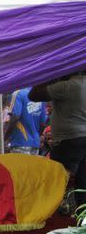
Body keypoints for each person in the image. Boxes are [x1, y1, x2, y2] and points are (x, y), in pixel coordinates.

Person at [30, 75, 86, 204]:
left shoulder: (67, 86)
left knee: (59, 179)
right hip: (81, 138)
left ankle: (58, 212)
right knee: (82, 181)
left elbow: (34, 95)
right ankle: (81, 216)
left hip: (68, 140)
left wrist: (48, 76)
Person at [5, 87, 46, 154]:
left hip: (20, 142)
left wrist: (5, 137)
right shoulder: (40, 95)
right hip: (35, 144)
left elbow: (15, 117)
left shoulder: (18, 93)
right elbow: (42, 123)